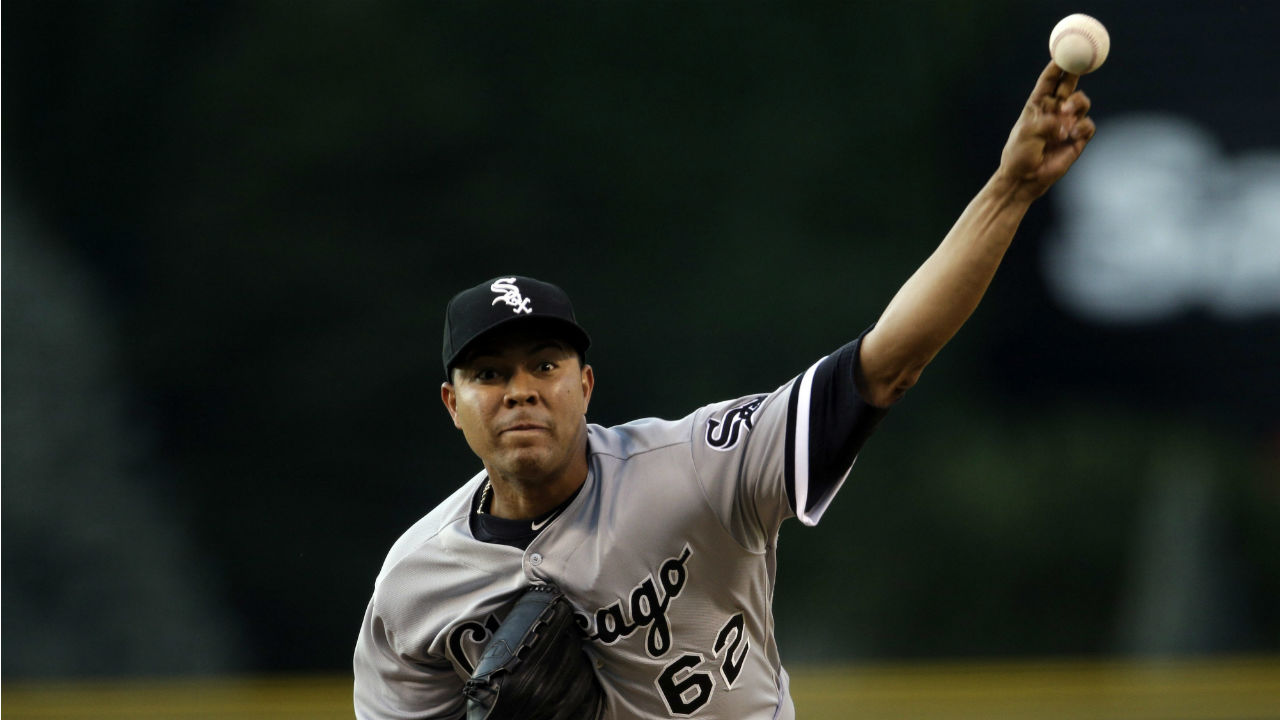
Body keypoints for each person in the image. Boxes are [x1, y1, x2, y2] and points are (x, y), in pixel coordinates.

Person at [353, 61, 1096, 719]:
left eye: (544, 366)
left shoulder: (695, 467)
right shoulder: (415, 586)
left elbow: (886, 364)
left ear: (585, 385)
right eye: (489, 374)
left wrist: (1010, 190)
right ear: (452, 405)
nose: (520, 391)